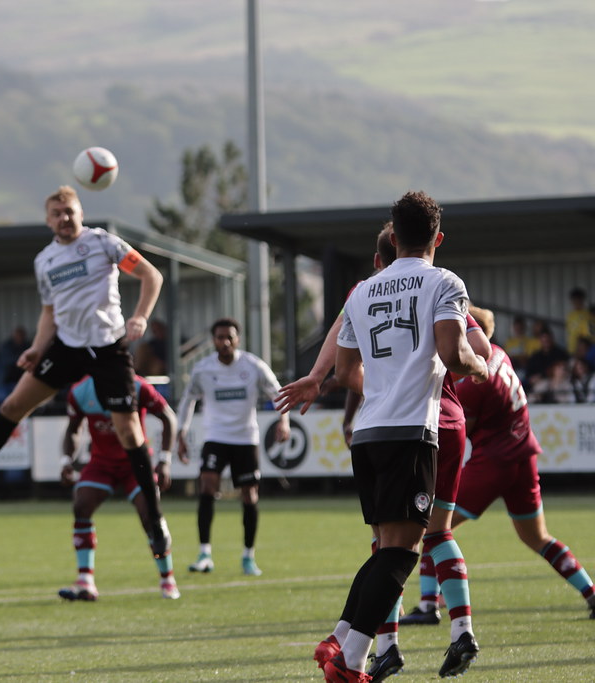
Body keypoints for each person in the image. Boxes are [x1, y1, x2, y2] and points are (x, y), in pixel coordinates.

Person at [0, 185, 172, 558]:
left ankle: (155, 521)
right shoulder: (45, 262)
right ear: (48, 220)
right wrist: (37, 349)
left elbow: (151, 276)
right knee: (12, 406)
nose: (65, 218)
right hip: (67, 348)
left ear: (80, 212)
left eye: (70, 211)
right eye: (57, 213)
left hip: (108, 348)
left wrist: (140, 317)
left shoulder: (103, 243)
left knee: (128, 429)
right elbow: (48, 314)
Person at [314, 191, 488, 683]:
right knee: (404, 551)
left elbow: (347, 371)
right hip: (413, 431)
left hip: (368, 433)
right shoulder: (444, 282)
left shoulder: (362, 292)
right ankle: (348, 660)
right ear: (438, 238)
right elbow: (455, 355)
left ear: (392, 235)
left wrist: (386, 389)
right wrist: (480, 366)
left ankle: (343, 639)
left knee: (386, 546)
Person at [450, 306, 595, 620]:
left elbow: (464, 430)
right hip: (523, 456)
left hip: (493, 462)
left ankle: (426, 605)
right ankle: (591, 592)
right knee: (537, 537)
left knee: (436, 527)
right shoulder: (500, 354)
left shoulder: (474, 381)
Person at [176, 317, 289, 577]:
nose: (225, 342)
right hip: (215, 437)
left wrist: (284, 422)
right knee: (206, 486)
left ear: (237, 339)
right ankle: (204, 553)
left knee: (249, 496)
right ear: (213, 340)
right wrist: (181, 432)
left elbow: (278, 394)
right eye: (219, 337)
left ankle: (248, 556)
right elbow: (187, 400)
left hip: (245, 439)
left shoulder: (253, 366)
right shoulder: (202, 369)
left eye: (230, 337)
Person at [58, 374, 179, 601]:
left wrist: (165, 460)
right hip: (102, 462)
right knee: (81, 505)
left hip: (136, 463)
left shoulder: (137, 386)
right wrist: (66, 460)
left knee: (149, 515)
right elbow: (73, 428)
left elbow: (167, 417)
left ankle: (167, 578)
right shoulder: (80, 391)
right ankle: (85, 580)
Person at [565, 287, 595, 357]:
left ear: (583, 300)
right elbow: (569, 333)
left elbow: (592, 335)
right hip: (571, 350)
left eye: (579, 299)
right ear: (571, 301)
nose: (577, 302)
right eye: (574, 299)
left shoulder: (589, 315)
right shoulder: (569, 316)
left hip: (585, 351)